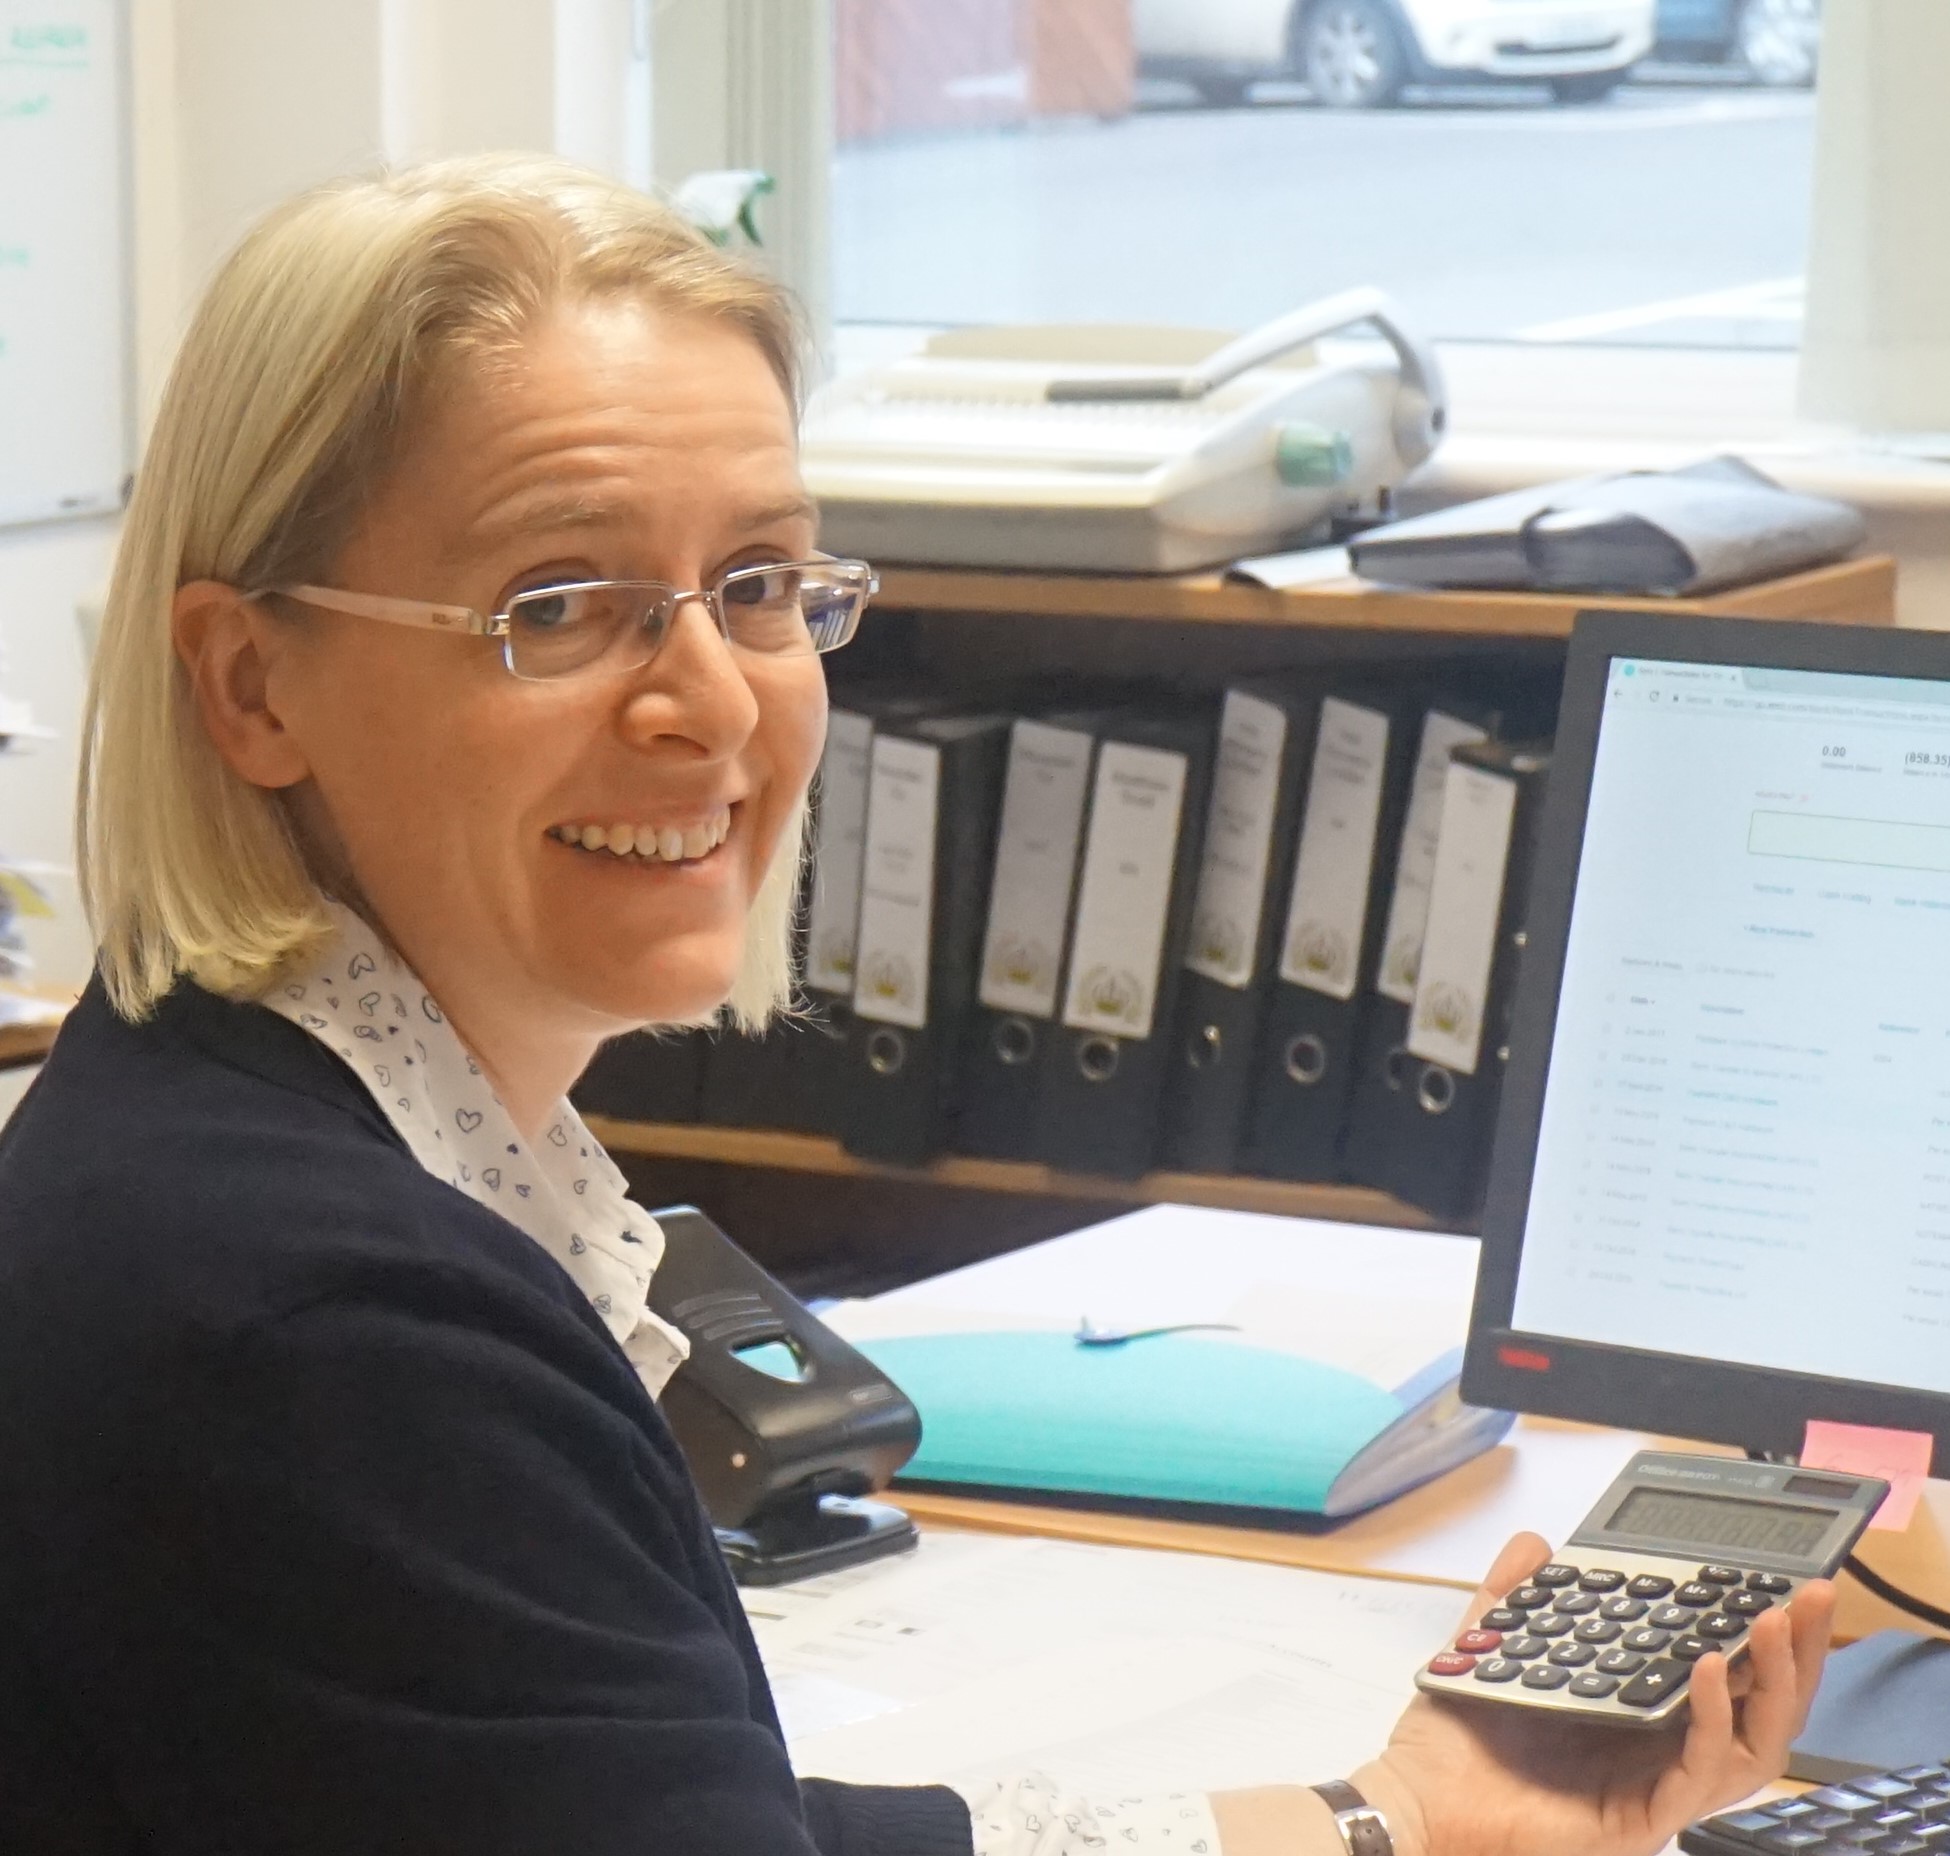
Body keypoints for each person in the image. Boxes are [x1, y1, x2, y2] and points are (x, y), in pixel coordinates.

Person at [0, 154, 1832, 1856]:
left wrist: (1405, 1812)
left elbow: (650, 1803)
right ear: (250, 685)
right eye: (558, 605)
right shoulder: (325, 1330)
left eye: (758, 585)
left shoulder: (236, 1129)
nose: (710, 703)